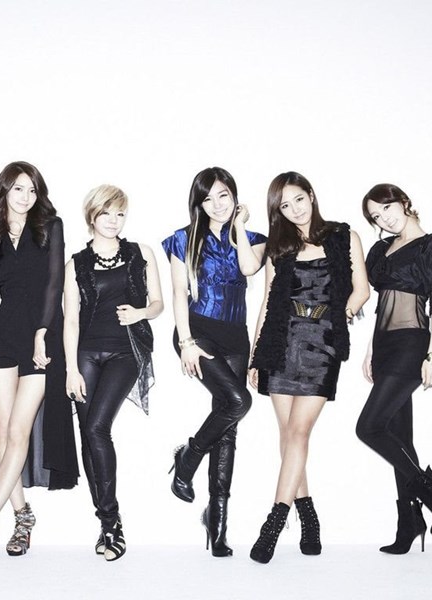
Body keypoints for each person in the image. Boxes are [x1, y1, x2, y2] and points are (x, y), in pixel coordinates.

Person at [249, 171, 369, 564]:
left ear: (311, 196)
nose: (295, 210)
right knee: (288, 437)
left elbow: (362, 290)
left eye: (298, 199)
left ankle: (272, 524)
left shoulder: (343, 236)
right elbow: (268, 302)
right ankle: (309, 517)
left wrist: (339, 317)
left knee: (299, 432)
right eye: (285, 205)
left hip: (323, 344)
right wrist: (255, 356)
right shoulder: (280, 247)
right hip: (281, 343)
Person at [0, 161, 78, 563]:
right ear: (4, 192)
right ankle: (23, 515)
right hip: (1, 337)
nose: (26, 196)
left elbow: (54, 283)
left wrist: (43, 331)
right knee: (2, 431)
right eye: (18, 189)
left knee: (18, 431)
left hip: (40, 338)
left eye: (32, 189)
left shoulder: (50, 227)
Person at [162, 166, 265, 558]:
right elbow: (177, 293)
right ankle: (188, 457)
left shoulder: (254, 239)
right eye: (208, 198)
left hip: (236, 336)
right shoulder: (183, 239)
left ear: (234, 196)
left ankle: (217, 523)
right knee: (239, 402)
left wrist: (239, 225)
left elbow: (248, 268)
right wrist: (186, 342)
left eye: (224, 195)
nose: (217, 204)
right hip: (198, 331)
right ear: (199, 204)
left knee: (229, 429)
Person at [356, 183, 432, 555]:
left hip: (413, 344)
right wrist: (370, 350)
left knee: (368, 428)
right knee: (399, 438)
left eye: (386, 207)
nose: (383, 218)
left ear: (404, 202)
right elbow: (383, 303)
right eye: (375, 215)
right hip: (384, 347)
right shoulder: (381, 250)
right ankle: (409, 522)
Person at [63, 184, 163, 561]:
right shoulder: (76, 264)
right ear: (92, 215)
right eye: (107, 213)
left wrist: (141, 313)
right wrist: (71, 369)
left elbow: (158, 303)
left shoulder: (141, 253)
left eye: (120, 213)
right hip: (86, 352)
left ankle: (111, 521)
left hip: (126, 350)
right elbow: (70, 320)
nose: (114, 220)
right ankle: (108, 524)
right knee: (87, 435)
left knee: (96, 428)